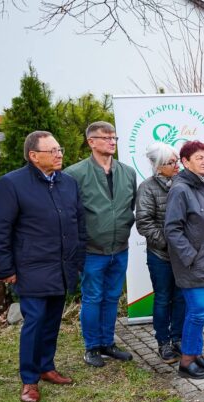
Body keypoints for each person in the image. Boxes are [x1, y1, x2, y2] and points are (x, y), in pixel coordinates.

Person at [0, 131, 85, 402]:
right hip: (31, 268)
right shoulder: (12, 184)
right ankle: (29, 380)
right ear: (34, 155)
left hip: (62, 267)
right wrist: (5, 269)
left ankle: (46, 367)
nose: (59, 154)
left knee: (52, 320)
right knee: (35, 322)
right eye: (52, 150)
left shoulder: (68, 183)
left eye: (60, 149)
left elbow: (79, 224)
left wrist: (78, 261)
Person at [64, 121, 136, 367]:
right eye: (105, 138)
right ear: (91, 142)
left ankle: (108, 343)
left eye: (114, 137)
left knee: (112, 296)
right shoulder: (75, 174)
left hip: (120, 247)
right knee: (93, 297)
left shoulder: (127, 172)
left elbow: (129, 207)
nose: (112, 141)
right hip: (92, 251)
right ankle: (92, 346)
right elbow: (70, 214)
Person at [164, 140, 204, 379]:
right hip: (193, 263)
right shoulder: (180, 189)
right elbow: (173, 229)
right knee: (200, 310)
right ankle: (186, 361)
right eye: (198, 157)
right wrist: (191, 257)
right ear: (185, 162)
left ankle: (196, 353)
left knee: (201, 310)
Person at [135, 143, 184, 363]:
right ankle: (163, 342)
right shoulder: (147, 188)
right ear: (157, 166)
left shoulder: (184, 183)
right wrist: (169, 243)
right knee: (163, 298)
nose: (176, 166)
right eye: (170, 163)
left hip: (183, 255)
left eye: (177, 161)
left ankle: (179, 338)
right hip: (161, 255)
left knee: (181, 297)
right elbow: (144, 223)